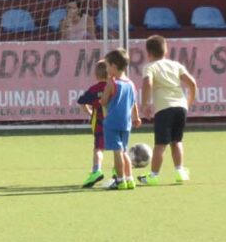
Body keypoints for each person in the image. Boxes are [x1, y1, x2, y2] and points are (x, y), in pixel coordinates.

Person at [138, 35, 198, 186]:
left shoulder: (150, 67)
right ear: (165, 51)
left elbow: (147, 83)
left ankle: (153, 176)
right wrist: (188, 102)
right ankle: (180, 171)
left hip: (164, 108)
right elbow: (192, 83)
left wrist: (145, 104)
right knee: (176, 141)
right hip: (181, 107)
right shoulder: (175, 65)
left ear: (148, 53)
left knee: (160, 144)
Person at [99, 49, 141, 191]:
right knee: (124, 151)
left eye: (107, 66)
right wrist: (136, 117)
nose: (106, 69)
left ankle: (120, 180)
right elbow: (133, 102)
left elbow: (104, 101)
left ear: (114, 66)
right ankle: (130, 179)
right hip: (126, 123)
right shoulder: (130, 83)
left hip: (112, 122)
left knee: (117, 152)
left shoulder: (112, 83)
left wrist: (102, 99)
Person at [77, 60, 109, 188]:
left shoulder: (94, 89)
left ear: (96, 75)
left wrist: (89, 112)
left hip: (99, 122)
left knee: (98, 148)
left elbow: (81, 101)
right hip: (114, 121)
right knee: (118, 148)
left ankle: (96, 170)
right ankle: (117, 172)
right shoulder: (114, 87)